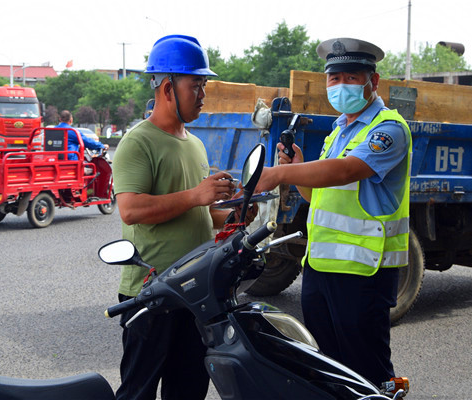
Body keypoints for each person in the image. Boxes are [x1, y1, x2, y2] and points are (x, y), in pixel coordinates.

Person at [255, 37, 412, 386]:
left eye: (351, 77)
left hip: (363, 273)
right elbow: (316, 196)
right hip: (320, 267)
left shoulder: (388, 129)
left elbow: (346, 171)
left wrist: (280, 173)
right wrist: (298, 167)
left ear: (374, 81)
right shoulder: (337, 132)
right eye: (334, 78)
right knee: (328, 371)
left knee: (367, 373)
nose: (341, 85)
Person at [111, 35, 253, 400]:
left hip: (196, 291)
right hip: (152, 291)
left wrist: (234, 215)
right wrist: (196, 194)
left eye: (204, 85)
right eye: (196, 85)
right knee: (138, 391)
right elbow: (131, 209)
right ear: (167, 87)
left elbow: (202, 215)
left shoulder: (196, 144)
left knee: (188, 388)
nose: (203, 94)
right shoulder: (138, 142)